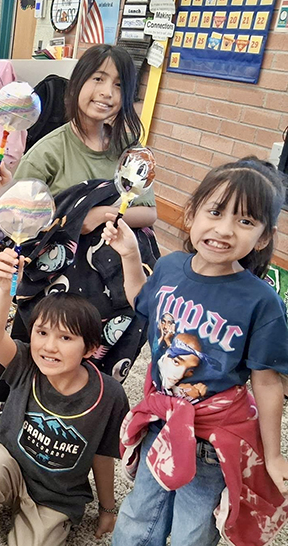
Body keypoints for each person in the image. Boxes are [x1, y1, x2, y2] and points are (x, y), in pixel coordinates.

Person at [0, 44, 156, 480]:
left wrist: (101, 214)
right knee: (20, 359)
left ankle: (61, 442)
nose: (107, 92)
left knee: (88, 366)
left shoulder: (129, 150)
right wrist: (12, 194)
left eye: (119, 85)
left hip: (107, 288)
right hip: (52, 285)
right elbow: (11, 216)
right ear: (78, 85)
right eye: (98, 79)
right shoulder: (51, 148)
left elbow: (148, 211)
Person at [103, 157, 288, 546]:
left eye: (245, 221)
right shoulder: (170, 268)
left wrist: (273, 455)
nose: (224, 229)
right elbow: (142, 301)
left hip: (213, 439)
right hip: (161, 422)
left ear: (264, 237)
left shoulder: (262, 302)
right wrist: (130, 254)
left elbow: (268, 381)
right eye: (215, 211)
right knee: (139, 514)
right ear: (191, 213)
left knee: (194, 530)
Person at [0, 251, 129, 543]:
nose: (49, 346)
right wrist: (3, 288)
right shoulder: (25, 364)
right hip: (7, 468)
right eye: (42, 333)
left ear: (90, 349)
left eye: (65, 337)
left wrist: (107, 508)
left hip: (55, 496)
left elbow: (103, 454)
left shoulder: (109, 395)